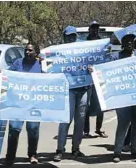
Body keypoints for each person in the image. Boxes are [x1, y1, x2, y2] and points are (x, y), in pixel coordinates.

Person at [108, 34, 136, 162]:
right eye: (127, 41)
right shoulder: (116, 57)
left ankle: (134, 150)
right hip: (123, 97)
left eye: (132, 41)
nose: (130, 43)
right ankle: (117, 152)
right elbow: (105, 70)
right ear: (122, 44)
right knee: (123, 124)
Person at [3, 43, 43, 165]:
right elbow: (8, 76)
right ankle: (10, 156)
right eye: (26, 50)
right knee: (14, 129)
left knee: (33, 129)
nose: (27, 52)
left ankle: (32, 154)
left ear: (36, 53)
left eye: (30, 50)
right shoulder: (17, 63)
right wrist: (1, 74)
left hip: (34, 103)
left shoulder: (41, 65)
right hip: (17, 103)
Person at [54, 25, 88, 161]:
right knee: (65, 120)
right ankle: (60, 149)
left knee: (80, 121)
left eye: (74, 35)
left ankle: (76, 149)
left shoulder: (84, 48)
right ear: (65, 37)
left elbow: (95, 59)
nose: (72, 38)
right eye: (69, 36)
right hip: (68, 90)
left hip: (84, 89)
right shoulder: (59, 51)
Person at [84, 20, 109, 139]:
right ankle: (86, 130)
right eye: (93, 28)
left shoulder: (102, 43)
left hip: (99, 77)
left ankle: (98, 128)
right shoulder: (84, 43)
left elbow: (106, 58)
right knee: (86, 105)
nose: (95, 30)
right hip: (87, 78)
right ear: (89, 29)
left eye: (96, 28)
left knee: (101, 105)